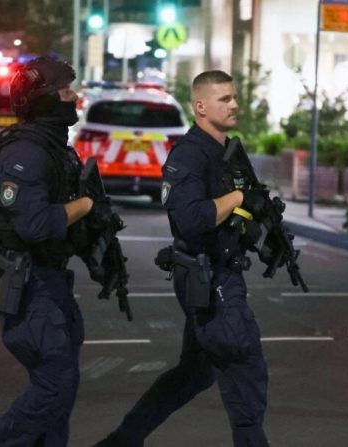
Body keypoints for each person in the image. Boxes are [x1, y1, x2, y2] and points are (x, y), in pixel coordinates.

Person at [93, 70, 270, 447]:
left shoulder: (228, 153)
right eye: (225, 99)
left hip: (221, 273)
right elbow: (191, 219)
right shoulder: (189, 155)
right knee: (245, 371)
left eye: (234, 97)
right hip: (209, 277)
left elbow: (250, 207)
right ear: (201, 106)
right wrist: (239, 200)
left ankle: (123, 440)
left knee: (194, 372)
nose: (234, 104)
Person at [0, 57, 94, 446]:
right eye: (64, 91)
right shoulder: (25, 153)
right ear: (44, 100)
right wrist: (86, 206)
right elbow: (35, 225)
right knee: (56, 383)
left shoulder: (54, 148)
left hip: (50, 280)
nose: (73, 97)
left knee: (61, 387)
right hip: (26, 283)